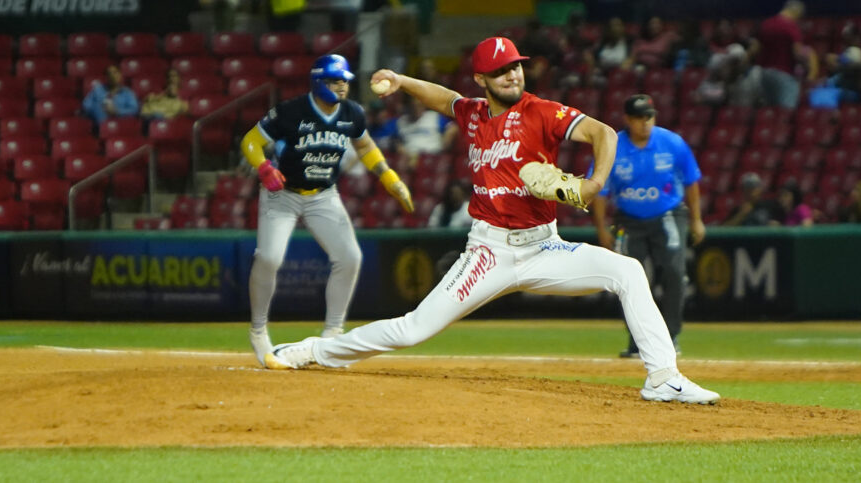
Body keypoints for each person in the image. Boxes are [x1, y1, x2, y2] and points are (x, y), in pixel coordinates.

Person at [264, 36, 720, 405]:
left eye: (516, 66)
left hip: (545, 247)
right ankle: (316, 350)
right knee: (413, 328)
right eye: (501, 70)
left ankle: (662, 377)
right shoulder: (474, 114)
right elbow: (446, 99)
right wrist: (402, 80)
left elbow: (601, 132)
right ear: (482, 78)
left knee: (628, 271)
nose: (513, 74)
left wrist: (594, 183)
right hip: (489, 251)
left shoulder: (542, 112)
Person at [239, 54, 414, 366]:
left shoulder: (351, 113)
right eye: (335, 81)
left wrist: (390, 177)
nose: (342, 87)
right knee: (268, 257)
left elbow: (365, 146)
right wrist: (264, 167)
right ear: (319, 82)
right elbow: (250, 141)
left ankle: (334, 335)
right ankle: (258, 330)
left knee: (350, 257)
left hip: (323, 195)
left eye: (345, 81)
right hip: (283, 194)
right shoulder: (291, 111)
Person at [590, 94, 705, 358]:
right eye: (639, 118)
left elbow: (691, 181)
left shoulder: (672, 143)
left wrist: (697, 220)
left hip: (668, 215)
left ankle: (671, 338)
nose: (645, 123)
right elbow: (599, 190)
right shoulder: (613, 146)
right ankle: (637, 342)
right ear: (627, 119)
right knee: (627, 279)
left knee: (675, 273)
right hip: (627, 219)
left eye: (649, 117)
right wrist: (602, 229)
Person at [751, 0, 816, 109]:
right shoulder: (791, 27)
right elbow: (797, 54)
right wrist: (807, 66)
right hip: (784, 74)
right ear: (797, 13)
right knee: (786, 112)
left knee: (769, 110)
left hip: (764, 74)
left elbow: (755, 49)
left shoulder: (766, 24)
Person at [395, 96, 459, 162]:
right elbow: (393, 141)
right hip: (410, 157)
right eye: (413, 106)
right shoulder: (401, 122)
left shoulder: (434, 116)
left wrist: (445, 142)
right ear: (409, 107)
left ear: (423, 106)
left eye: (419, 106)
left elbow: (453, 127)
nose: (416, 109)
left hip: (433, 156)